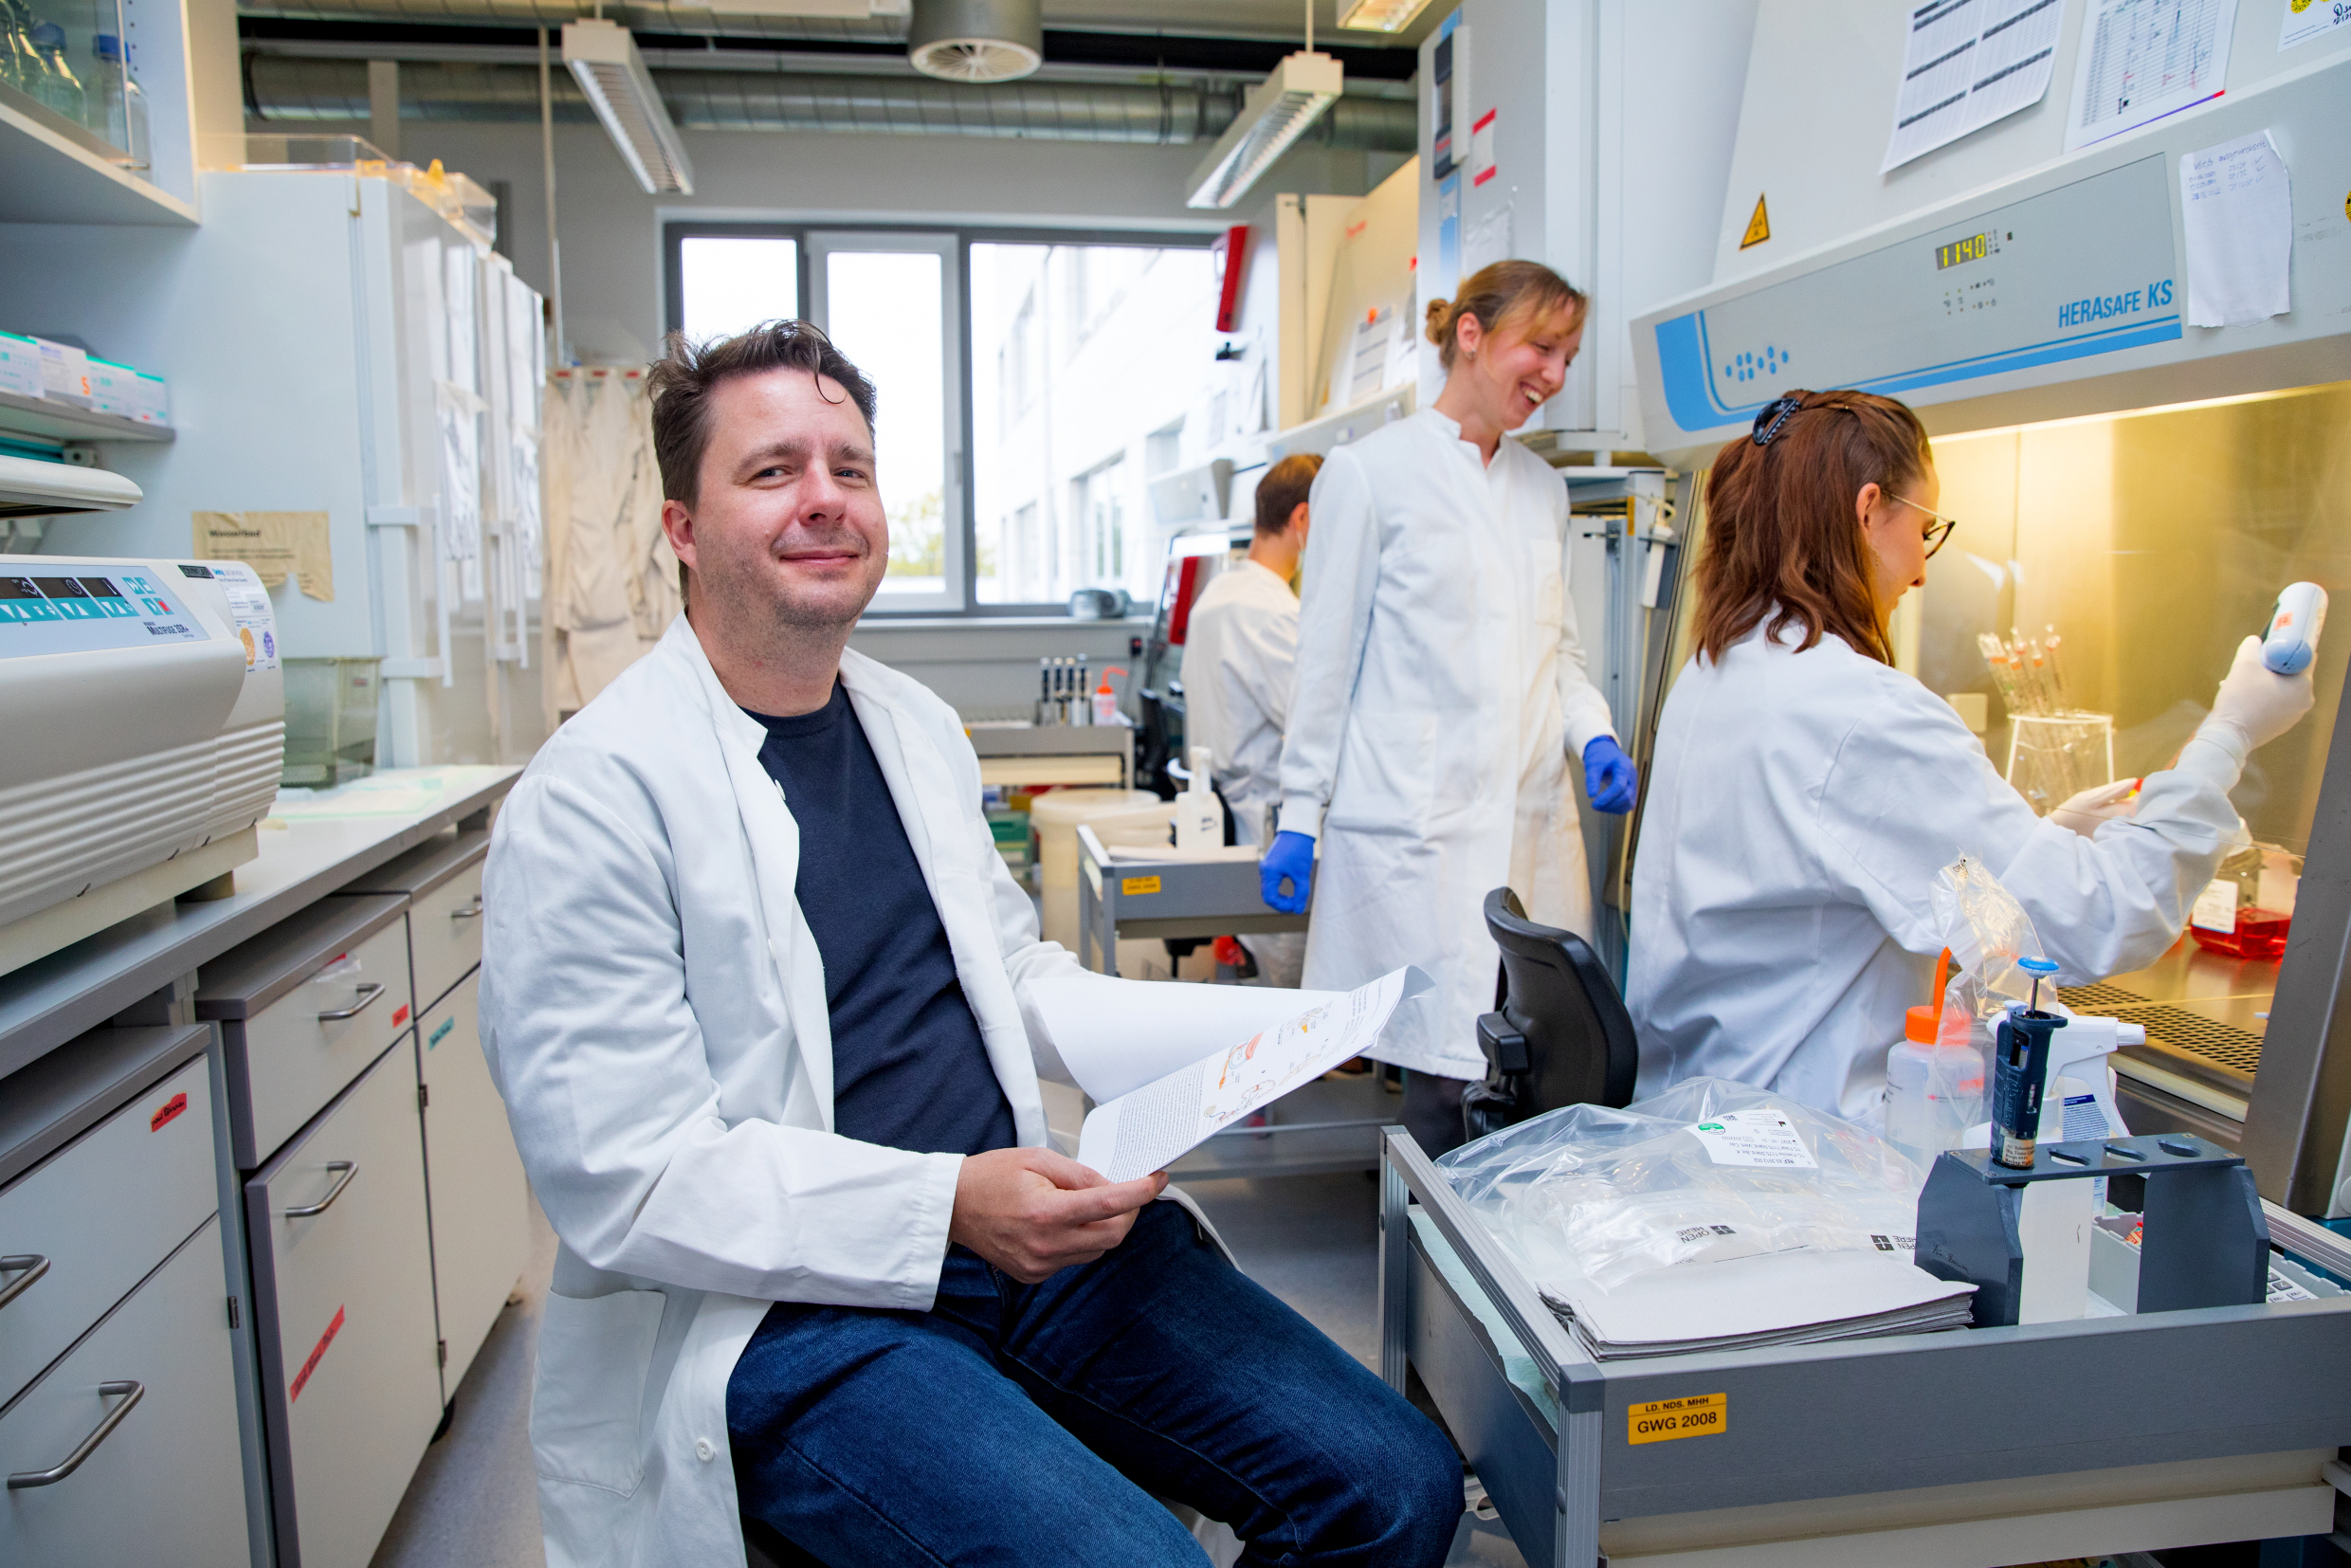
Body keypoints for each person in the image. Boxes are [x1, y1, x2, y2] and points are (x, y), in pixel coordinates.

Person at [478, 321, 1462, 1568]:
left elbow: (1016, 971)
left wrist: (1258, 1034)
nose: (825, 500)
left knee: (1397, 1482)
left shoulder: (912, 726)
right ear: (682, 527)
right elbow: (630, 1176)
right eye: (773, 470)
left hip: (1030, 1246)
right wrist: (948, 1203)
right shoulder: (593, 797)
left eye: (851, 465)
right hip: (794, 1309)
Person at [1627, 388, 2317, 1122]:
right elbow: (2098, 918)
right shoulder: (1860, 712)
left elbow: (1855, 864)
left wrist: (2048, 841)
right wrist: (2230, 735)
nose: (1922, 570)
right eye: (1926, 529)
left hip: (1694, 1119)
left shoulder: (1715, 669)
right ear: (1868, 512)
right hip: (1800, 1160)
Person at [1258, 261, 1637, 1158]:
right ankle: (1433, 1274)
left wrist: (1596, 735)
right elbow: (1327, 664)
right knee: (1441, 1073)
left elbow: (1564, 651)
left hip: (1533, 821)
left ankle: (1507, 1264)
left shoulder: (1544, 491)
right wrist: (1297, 817)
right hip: (1417, 829)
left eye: (1568, 357)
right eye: (1539, 347)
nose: (1552, 373)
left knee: (1532, 1062)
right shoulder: (1369, 474)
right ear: (1471, 335)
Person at [1183, 451, 1320, 986]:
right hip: (1271, 828)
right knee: (1290, 1023)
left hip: (1230, 822)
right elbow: (1317, 722)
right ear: (1303, 520)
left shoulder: (1218, 594)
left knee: (1256, 1006)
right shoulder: (1272, 613)